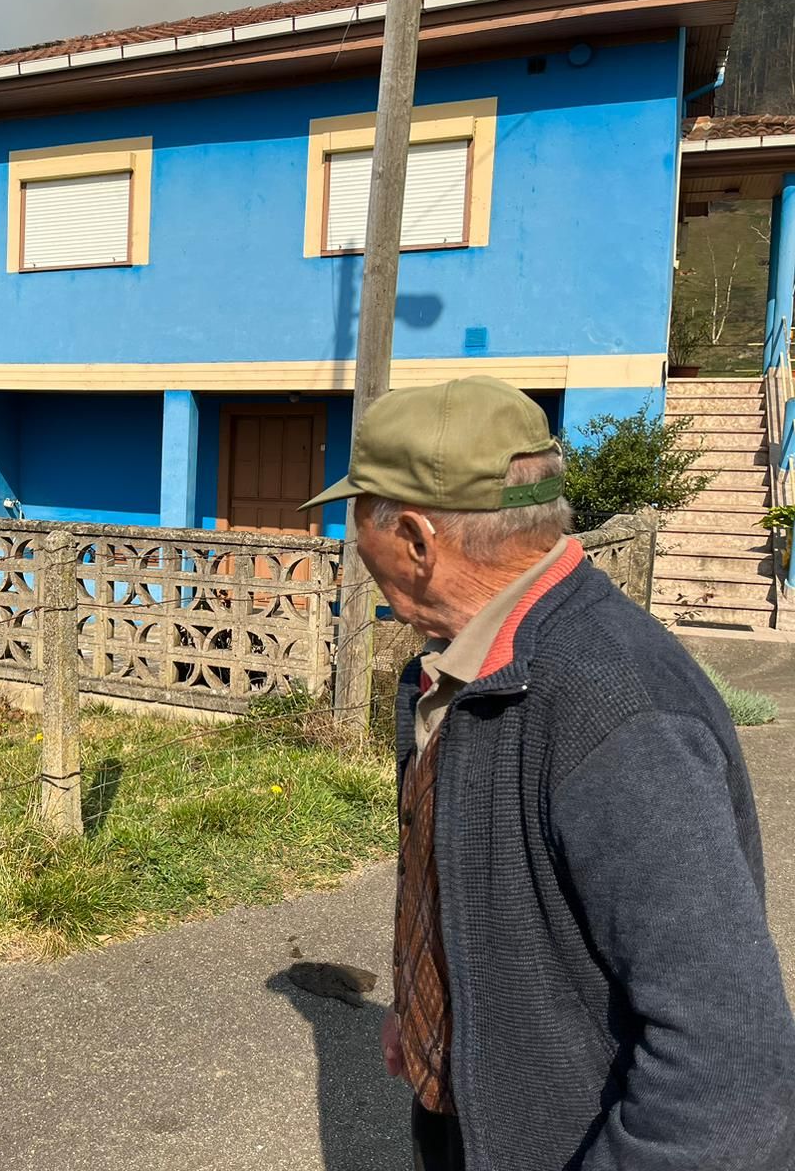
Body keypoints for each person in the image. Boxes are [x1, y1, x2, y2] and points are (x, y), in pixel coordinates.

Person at [300, 377, 795, 1170]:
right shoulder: (470, 666)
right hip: (475, 1119)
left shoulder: (615, 711)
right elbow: (480, 878)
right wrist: (426, 1008)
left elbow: (729, 1067)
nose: (358, 550)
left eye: (362, 519)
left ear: (421, 539)